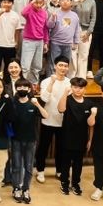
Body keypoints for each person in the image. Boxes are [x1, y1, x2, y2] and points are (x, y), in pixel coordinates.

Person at [10, 79, 48, 204]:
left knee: (29, 166)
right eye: (19, 87)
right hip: (16, 140)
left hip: (31, 140)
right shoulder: (13, 103)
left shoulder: (33, 103)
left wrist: (38, 104)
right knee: (16, 166)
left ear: (29, 89)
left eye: (24, 87)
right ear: (16, 89)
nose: (22, 89)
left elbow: (46, 116)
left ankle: (26, 189)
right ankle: (16, 188)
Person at [35, 55, 71, 183]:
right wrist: (52, 82)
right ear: (55, 66)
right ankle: (40, 171)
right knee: (43, 147)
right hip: (48, 119)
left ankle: (59, 170)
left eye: (65, 66)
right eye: (60, 65)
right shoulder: (46, 81)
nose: (63, 68)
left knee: (61, 148)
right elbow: (44, 98)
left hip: (63, 121)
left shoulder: (69, 83)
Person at [57, 77, 95, 196]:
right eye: (75, 87)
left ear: (85, 89)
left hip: (81, 138)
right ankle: (64, 182)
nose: (78, 90)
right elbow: (60, 109)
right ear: (71, 87)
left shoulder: (89, 103)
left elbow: (91, 125)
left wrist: (90, 140)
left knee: (78, 163)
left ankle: (75, 183)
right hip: (66, 137)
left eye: (80, 88)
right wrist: (65, 93)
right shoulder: (67, 99)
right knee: (65, 162)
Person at [46, 0, 81, 77]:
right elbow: (49, 26)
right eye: (63, 0)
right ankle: (51, 80)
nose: (65, 2)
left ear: (71, 3)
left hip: (68, 44)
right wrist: (52, 18)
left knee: (66, 64)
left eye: (67, 0)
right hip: (55, 43)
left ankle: (63, 80)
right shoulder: (55, 13)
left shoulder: (74, 15)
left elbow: (77, 29)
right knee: (54, 63)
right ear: (59, 2)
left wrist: (76, 42)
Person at [0, 0, 21, 82]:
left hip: (10, 46)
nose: (6, 4)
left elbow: (17, 30)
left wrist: (16, 42)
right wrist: (1, 12)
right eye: (4, 2)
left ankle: (7, 85)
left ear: (12, 3)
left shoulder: (15, 15)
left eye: (9, 2)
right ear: (1, 3)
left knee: (9, 69)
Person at [20, 0, 49, 86]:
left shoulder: (44, 13)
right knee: (25, 66)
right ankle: (22, 85)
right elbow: (23, 13)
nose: (38, 5)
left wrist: (46, 42)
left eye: (40, 3)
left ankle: (34, 84)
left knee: (37, 66)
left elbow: (45, 28)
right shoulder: (29, 10)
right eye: (36, 3)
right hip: (29, 41)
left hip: (40, 41)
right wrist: (31, 3)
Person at [71, 0, 96, 79]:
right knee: (73, 55)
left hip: (85, 31)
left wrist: (89, 32)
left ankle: (81, 77)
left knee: (83, 55)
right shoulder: (72, 0)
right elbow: (68, 15)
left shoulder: (91, 1)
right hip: (73, 32)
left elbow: (93, 18)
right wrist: (73, 5)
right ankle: (72, 76)